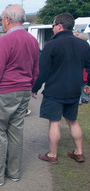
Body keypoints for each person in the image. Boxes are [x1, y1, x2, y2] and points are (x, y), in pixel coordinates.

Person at [0, 4, 39, 186]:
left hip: (4, 92)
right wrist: (31, 87)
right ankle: (14, 172)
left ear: (8, 19)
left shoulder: (4, 41)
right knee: (16, 132)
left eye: (1, 19)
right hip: (23, 91)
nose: (1, 22)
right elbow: (35, 69)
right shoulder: (32, 41)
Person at [32, 13, 90, 164]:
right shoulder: (83, 45)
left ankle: (52, 155)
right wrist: (88, 84)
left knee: (55, 122)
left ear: (59, 26)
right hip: (74, 90)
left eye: (53, 26)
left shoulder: (51, 45)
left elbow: (42, 71)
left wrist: (35, 88)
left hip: (55, 90)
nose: (53, 29)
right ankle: (79, 152)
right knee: (73, 121)